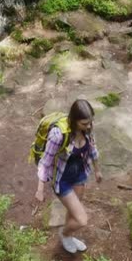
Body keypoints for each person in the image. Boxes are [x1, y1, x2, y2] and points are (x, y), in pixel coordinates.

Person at [35, 99, 103, 253]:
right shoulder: (58, 135)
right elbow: (45, 162)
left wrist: (97, 170)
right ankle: (64, 233)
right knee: (82, 220)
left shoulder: (88, 130)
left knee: (73, 212)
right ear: (74, 120)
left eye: (90, 122)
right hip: (62, 180)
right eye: (84, 123)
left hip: (80, 175)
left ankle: (69, 236)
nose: (89, 126)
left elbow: (92, 149)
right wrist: (40, 189)